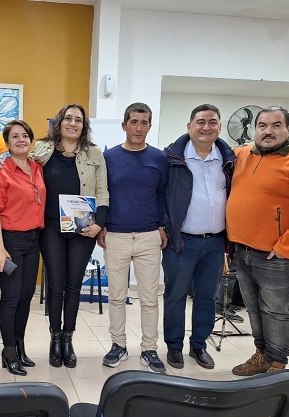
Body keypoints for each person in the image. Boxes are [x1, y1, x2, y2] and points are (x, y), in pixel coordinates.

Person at [227, 106, 289, 375]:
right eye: (262, 125)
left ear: (288, 128)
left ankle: (277, 364)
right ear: (255, 129)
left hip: (277, 256)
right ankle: (262, 355)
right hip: (243, 250)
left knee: (276, 312)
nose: (268, 131)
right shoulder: (242, 155)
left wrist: (287, 248)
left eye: (276, 125)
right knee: (253, 309)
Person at [33, 104, 108, 368]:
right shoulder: (42, 149)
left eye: (78, 120)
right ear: (59, 122)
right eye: (68, 118)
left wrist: (99, 224)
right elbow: (18, 163)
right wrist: (0, 160)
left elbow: (102, 191)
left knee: (74, 285)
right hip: (50, 228)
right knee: (55, 285)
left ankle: (68, 338)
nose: (73, 123)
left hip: (83, 228)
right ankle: (54, 338)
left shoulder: (94, 153)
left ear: (83, 126)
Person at [162, 104, 236, 370]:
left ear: (219, 127)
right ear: (189, 126)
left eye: (213, 122)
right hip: (181, 241)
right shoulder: (172, 158)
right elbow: (159, 195)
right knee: (176, 296)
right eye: (201, 121)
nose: (206, 127)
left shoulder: (228, 160)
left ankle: (199, 346)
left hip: (214, 242)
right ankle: (174, 346)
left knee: (207, 297)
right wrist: (162, 226)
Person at [98, 102, 168, 373]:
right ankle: (118, 345)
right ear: (124, 125)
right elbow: (102, 193)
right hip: (115, 235)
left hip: (149, 236)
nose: (138, 128)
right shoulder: (109, 157)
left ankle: (149, 349)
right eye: (134, 122)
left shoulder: (159, 158)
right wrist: (102, 225)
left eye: (144, 123)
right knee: (116, 297)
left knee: (149, 298)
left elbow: (161, 194)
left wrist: (161, 225)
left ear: (150, 126)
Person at [0, 120, 45, 376]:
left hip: (33, 241)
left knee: (26, 296)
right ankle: (8, 352)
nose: (21, 140)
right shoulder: (0, 170)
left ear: (31, 140)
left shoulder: (37, 167)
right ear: (7, 143)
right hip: (9, 241)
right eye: (15, 136)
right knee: (11, 298)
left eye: (25, 136)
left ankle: (20, 347)